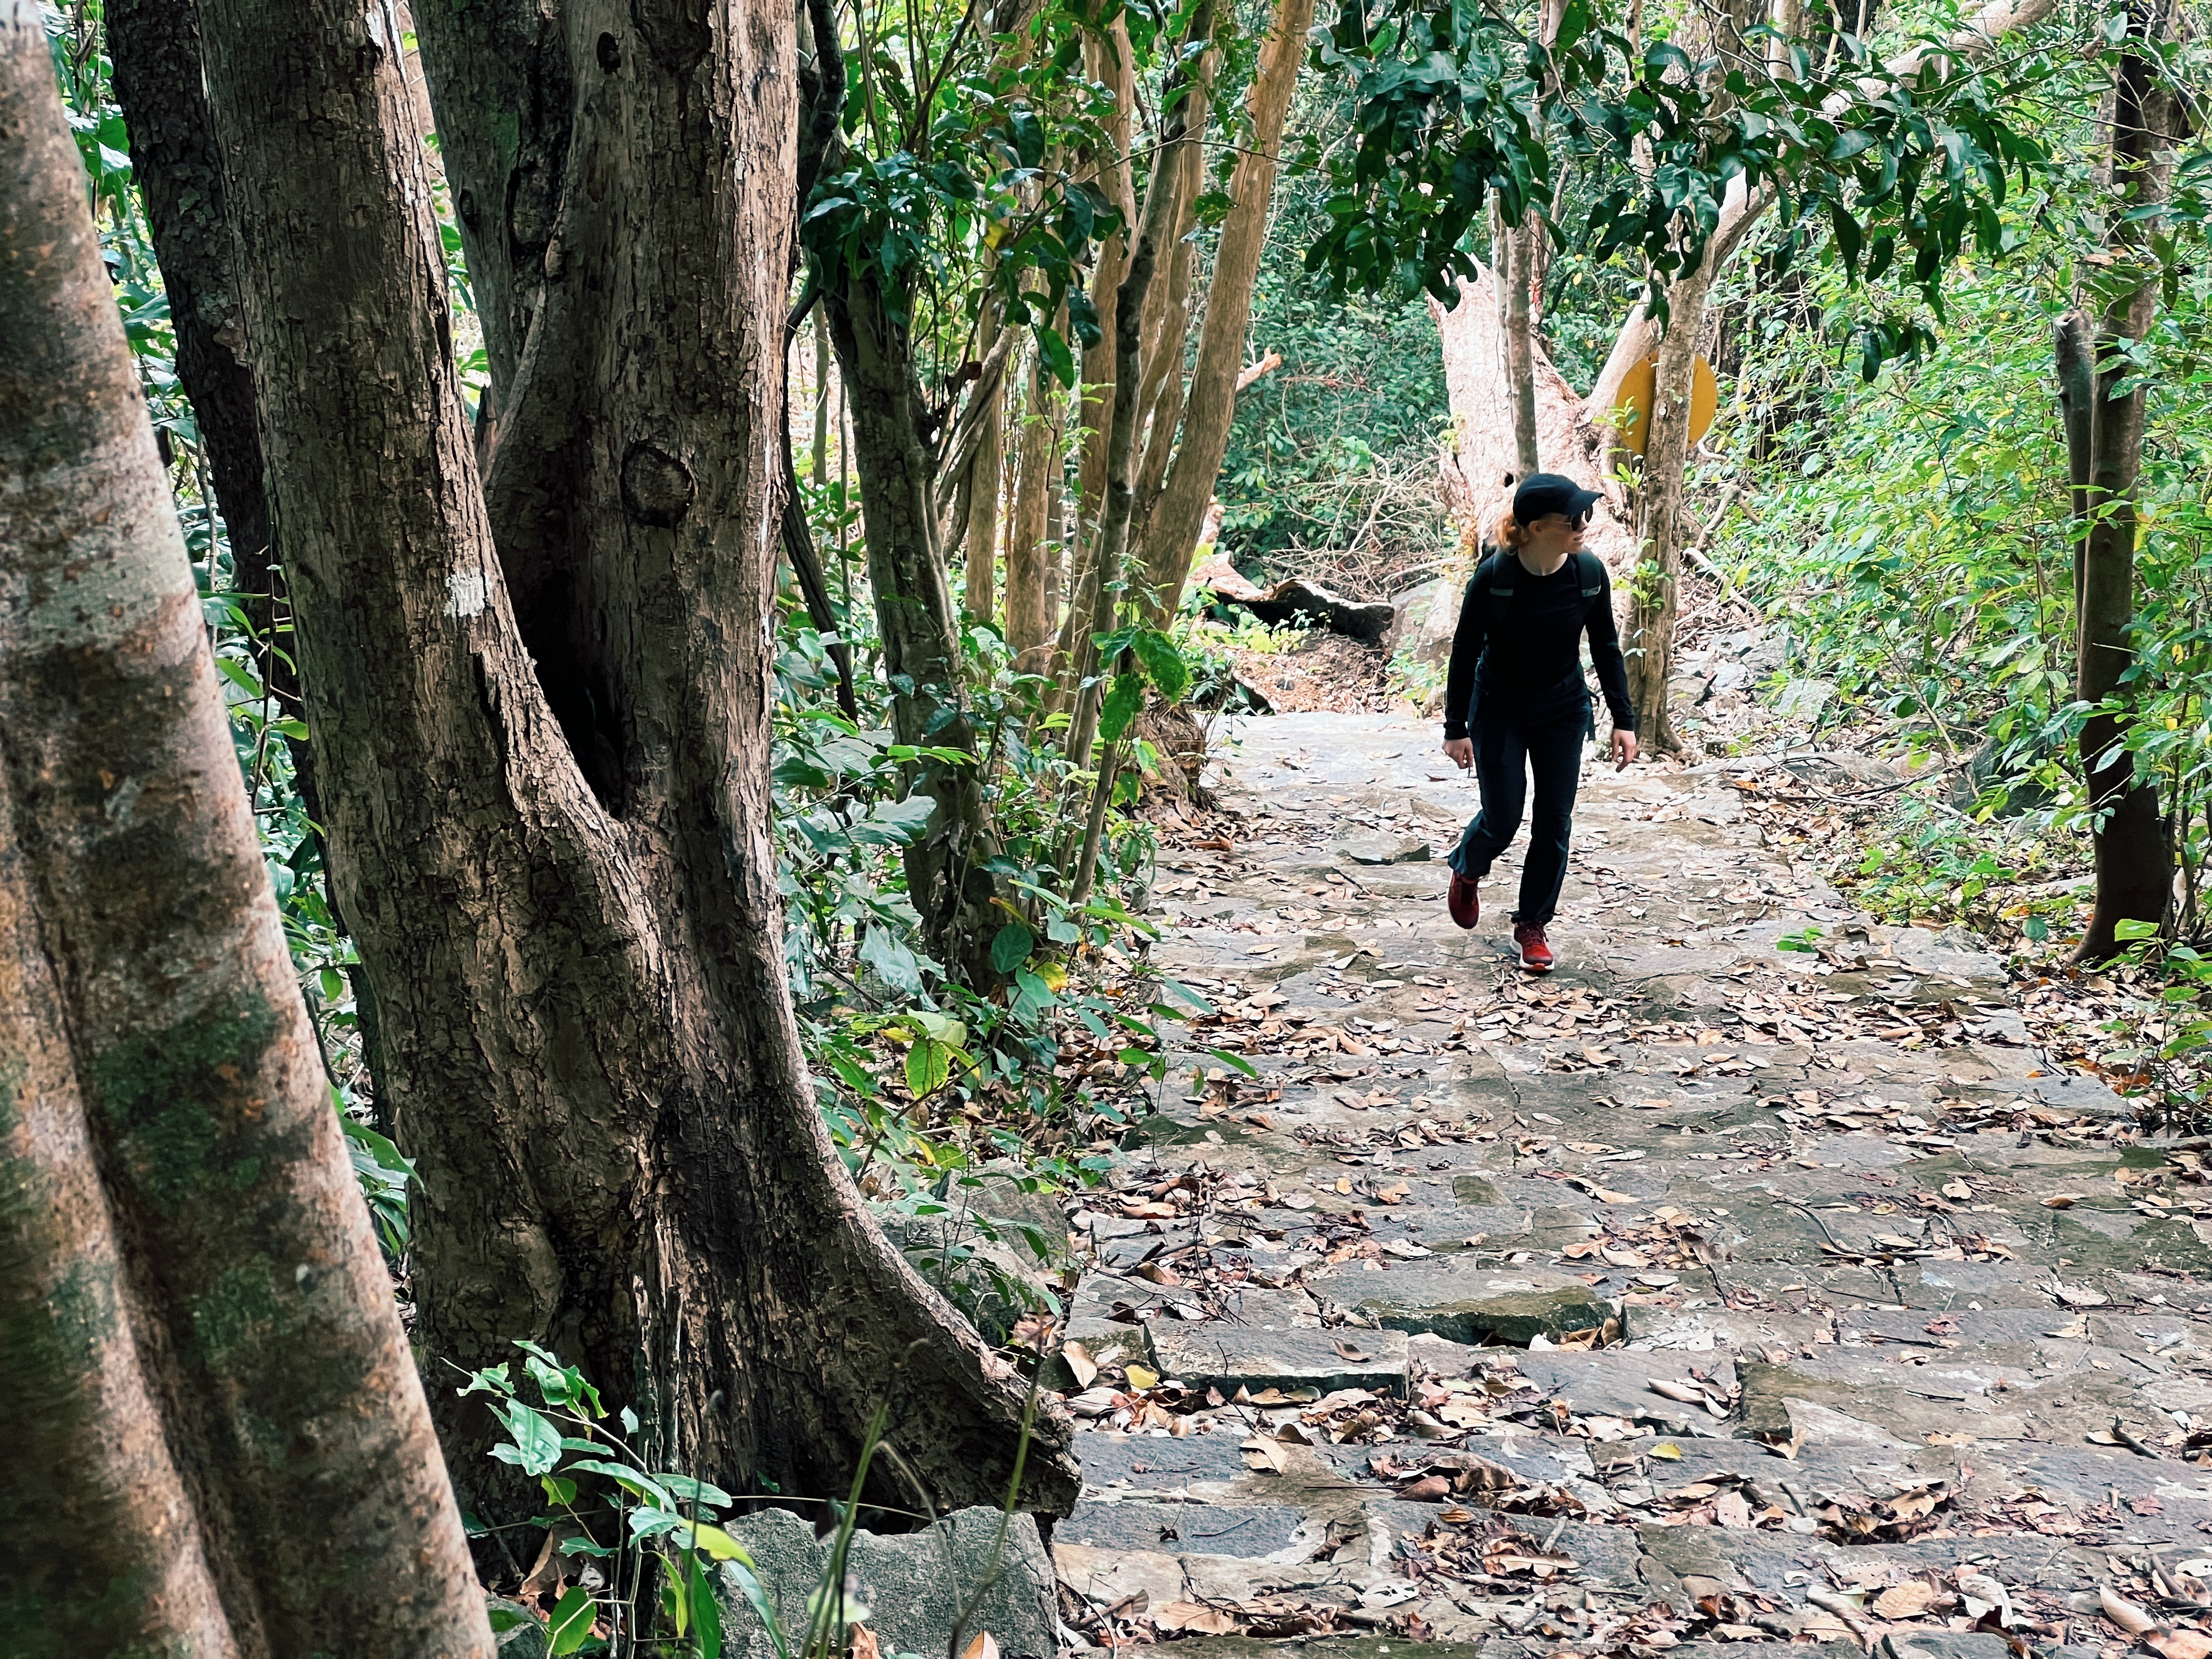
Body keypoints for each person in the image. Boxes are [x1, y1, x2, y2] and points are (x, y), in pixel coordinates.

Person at [1441, 473, 1638, 972]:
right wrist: (1455, 725)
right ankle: (1468, 866)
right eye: (1572, 519)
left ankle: (1533, 924)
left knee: (1553, 821)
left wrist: (1624, 718)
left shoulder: (1587, 573)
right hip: (1499, 708)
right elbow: (1464, 652)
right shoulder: (1495, 577)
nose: (1583, 526)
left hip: (1563, 709)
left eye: (1585, 515)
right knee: (1503, 817)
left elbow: (1606, 647)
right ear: (1532, 528)